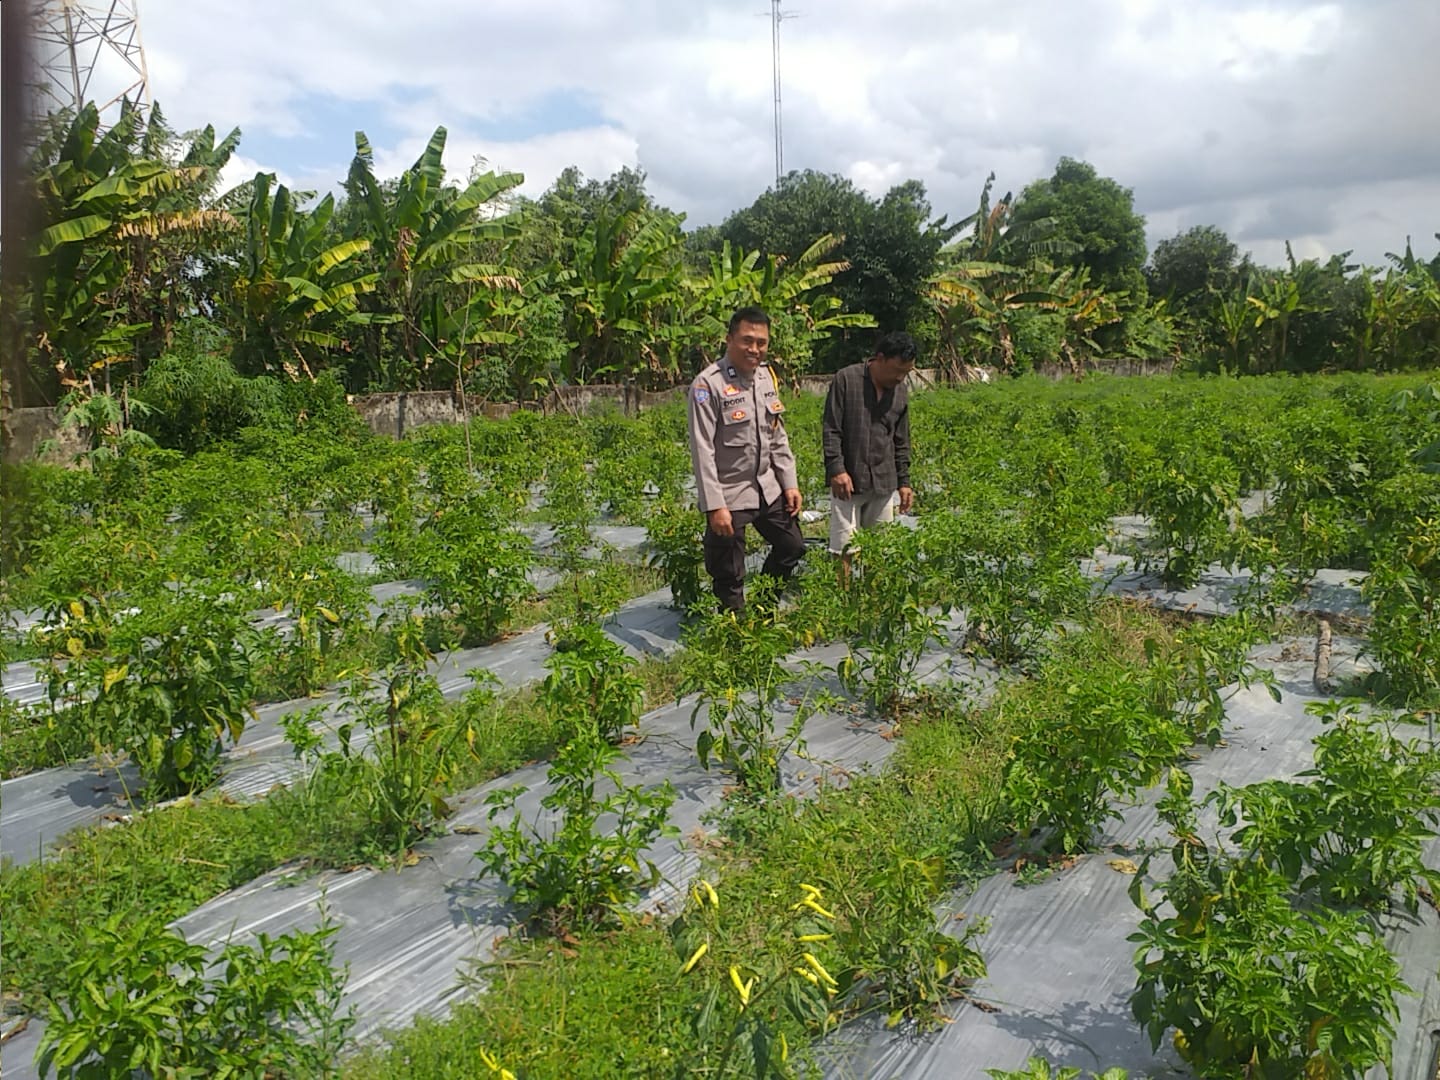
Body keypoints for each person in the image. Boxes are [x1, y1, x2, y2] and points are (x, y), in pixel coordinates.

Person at [687, 306, 805, 613]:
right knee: (729, 570)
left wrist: (789, 483)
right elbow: (703, 450)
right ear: (729, 339)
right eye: (747, 340)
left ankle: (764, 610)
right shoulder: (707, 384)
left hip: (767, 486)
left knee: (792, 546)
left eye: (762, 342)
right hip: (729, 492)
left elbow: (777, 435)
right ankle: (735, 633)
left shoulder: (766, 378)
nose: (755, 349)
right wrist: (714, 506)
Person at [821, 330, 917, 580]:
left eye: (905, 373)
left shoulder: (901, 392)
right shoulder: (846, 379)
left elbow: (901, 439)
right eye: (896, 370)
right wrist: (836, 469)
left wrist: (904, 482)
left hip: (883, 482)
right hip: (848, 481)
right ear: (880, 358)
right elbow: (831, 428)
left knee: (879, 549)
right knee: (843, 548)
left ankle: (873, 603)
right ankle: (842, 603)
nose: (899, 377)